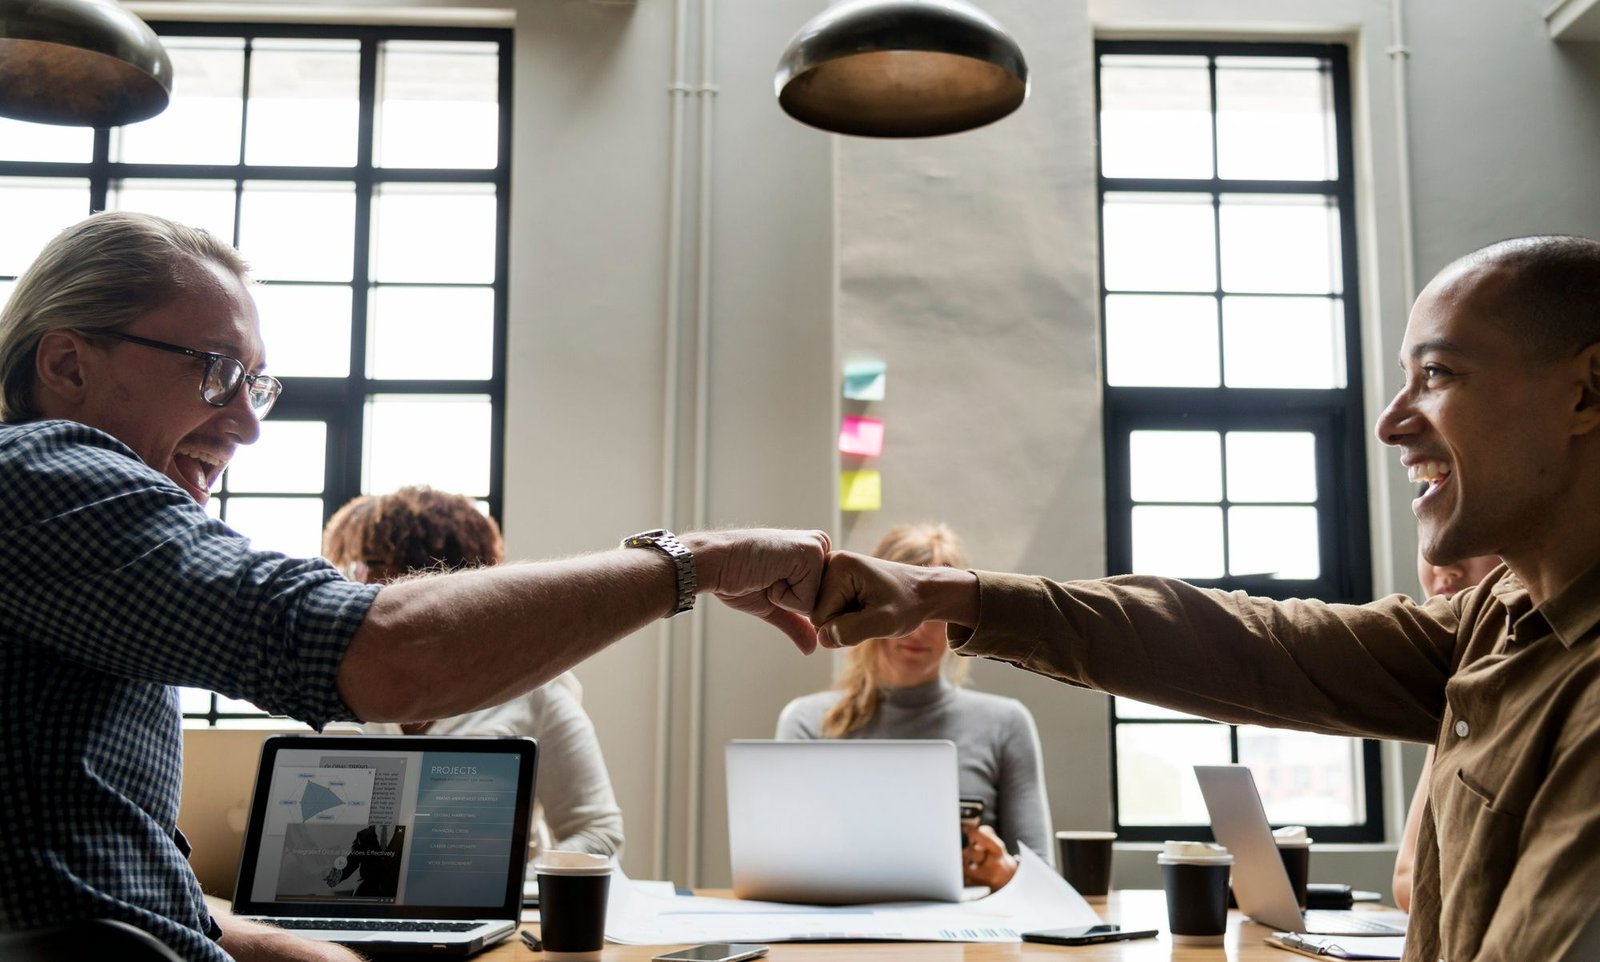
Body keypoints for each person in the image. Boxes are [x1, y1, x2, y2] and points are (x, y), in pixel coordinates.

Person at [0, 211, 829, 962]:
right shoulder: (45, 477)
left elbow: (127, 889)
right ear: (69, 363)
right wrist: (699, 560)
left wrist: (314, 955)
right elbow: (385, 653)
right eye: (216, 372)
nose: (250, 424)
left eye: (256, 385)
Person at [810, 235, 1600, 962]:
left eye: (1438, 374)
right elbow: (1248, 643)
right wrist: (942, 594)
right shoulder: (1495, 614)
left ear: (1586, 393)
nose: (1392, 424)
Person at [322, 486, 625, 861]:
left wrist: (506, 882)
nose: (353, 584)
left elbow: (598, 832)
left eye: (364, 566)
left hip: (494, 916)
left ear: (423, 572)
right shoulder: (335, 686)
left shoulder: (534, 691)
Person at [774, 522, 1050, 889]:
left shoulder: (1006, 723)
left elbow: (1043, 878)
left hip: (969, 939)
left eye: (935, 611)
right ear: (862, 609)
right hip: (843, 934)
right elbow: (781, 867)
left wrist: (1005, 873)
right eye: (899, 606)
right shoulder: (807, 721)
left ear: (960, 620)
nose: (917, 629)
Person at [1391, 542, 1501, 911]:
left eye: (1472, 540)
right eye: (1429, 542)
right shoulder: (1456, 687)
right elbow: (1408, 879)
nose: (1445, 565)